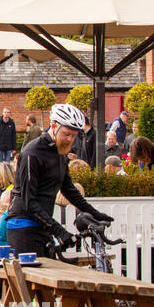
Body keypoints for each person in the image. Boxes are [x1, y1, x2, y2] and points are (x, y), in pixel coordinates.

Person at [7, 103, 113, 261]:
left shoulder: (60, 153)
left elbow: (69, 190)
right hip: (23, 224)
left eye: (74, 135)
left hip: (42, 225)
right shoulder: (32, 153)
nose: (70, 139)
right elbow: (29, 201)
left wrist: (95, 214)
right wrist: (59, 230)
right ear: (54, 125)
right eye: (66, 134)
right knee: (34, 282)